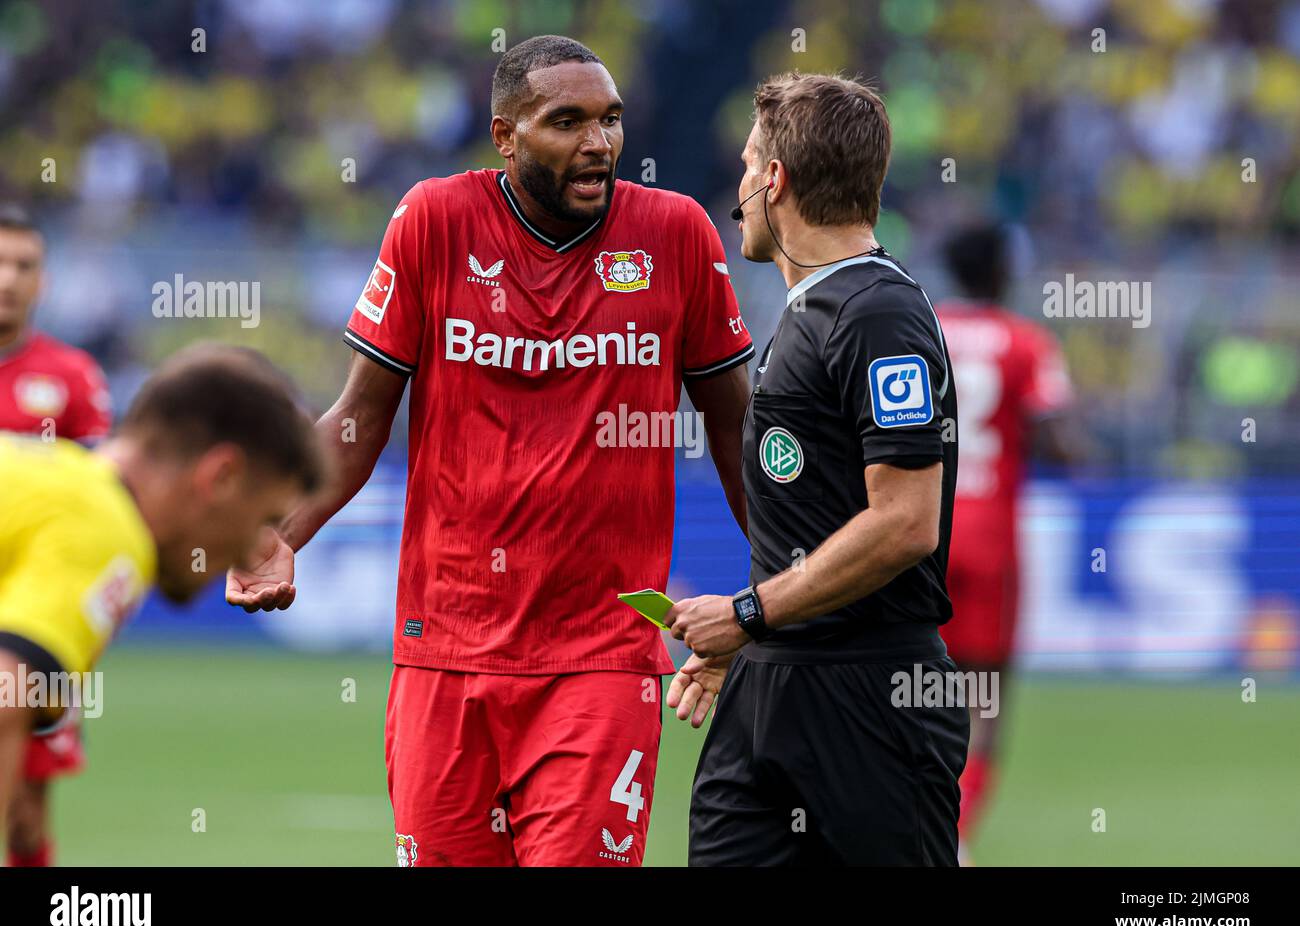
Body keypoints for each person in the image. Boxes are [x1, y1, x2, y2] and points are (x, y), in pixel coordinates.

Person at [226, 35, 754, 867]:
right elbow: (360, 416)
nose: (599, 143)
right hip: (446, 650)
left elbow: (734, 426)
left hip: (601, 657)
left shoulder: (676, 234)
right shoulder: (435, 221)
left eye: (611, 120)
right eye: (567, 121)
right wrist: (279, 532)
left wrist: (778, 590)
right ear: (506, 137)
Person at [666, 72, 967, 865]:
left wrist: (751, 612)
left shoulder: (881, 314)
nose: (736, 185)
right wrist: (753, 636)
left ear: (774, 181)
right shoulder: (810, 311)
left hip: (872, 696)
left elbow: (904, 522)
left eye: (745, 164)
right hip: (772, 682)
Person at [0, 343, 326, 847]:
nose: (253, 549)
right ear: (221, 476)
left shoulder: (53, 481)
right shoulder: (106, 528)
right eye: (263, 518)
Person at [935, 221, 1083, 854]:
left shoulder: (922, 328)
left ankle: (897, 822)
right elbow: (1060, 444)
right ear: (1000, 271)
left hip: (918, 535)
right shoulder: (1025, 342)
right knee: (984, 704)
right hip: (990, 541)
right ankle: (955, 837)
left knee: (903, 686)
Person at [0, 204, 112, 867]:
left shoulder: (72, 379)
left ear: (44, 280)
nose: (8, 278)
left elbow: (99, 505)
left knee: (23, 815)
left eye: (24, 266)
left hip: (33, 620)